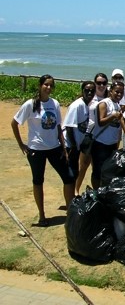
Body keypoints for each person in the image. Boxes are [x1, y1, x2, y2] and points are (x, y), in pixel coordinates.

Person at [11, 75, 75, 227]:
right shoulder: (30, 104)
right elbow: (14, 123)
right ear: (40, 85)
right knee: (38, 181)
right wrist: (21, 144)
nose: (48, 88)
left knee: (69, 178)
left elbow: (59, 126)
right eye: (46, 85)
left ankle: (71, 213)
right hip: (36, 150)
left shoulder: (55, 103)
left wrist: (63, 146)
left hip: (55, 148)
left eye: (51, 85)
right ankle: (42, 216)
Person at [75, 73, 108, 194]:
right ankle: (76, 191)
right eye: (98, 83)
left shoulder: (109, 98)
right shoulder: (89, 97)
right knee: (83, 166)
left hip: (102, 139)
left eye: (104, 83)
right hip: (89, 135)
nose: (101, 85)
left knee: (97, 168)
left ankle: (96, 193)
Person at [63, 81, 95, 195]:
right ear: (82, 91)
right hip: (70, 145)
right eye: (87, 90)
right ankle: (70, 200)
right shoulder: (77, 105)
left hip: (77, 145)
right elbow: (69, 127)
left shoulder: (87, 105)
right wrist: (73, 146)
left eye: (92, 90)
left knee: (74, 173)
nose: (89, 92)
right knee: (70, 175)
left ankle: (71, 197)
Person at [90, 81, 124, 189]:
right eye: (117, 92)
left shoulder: (117, 104)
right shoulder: (104, 103)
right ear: (111, 91)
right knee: (97, 171)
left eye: (121, 92)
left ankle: (103, 192)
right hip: (101, 143)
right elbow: (100, 122)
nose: (119, 94)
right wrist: (113, 116)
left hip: (112, 144)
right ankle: (96, 193)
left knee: (107, 171)